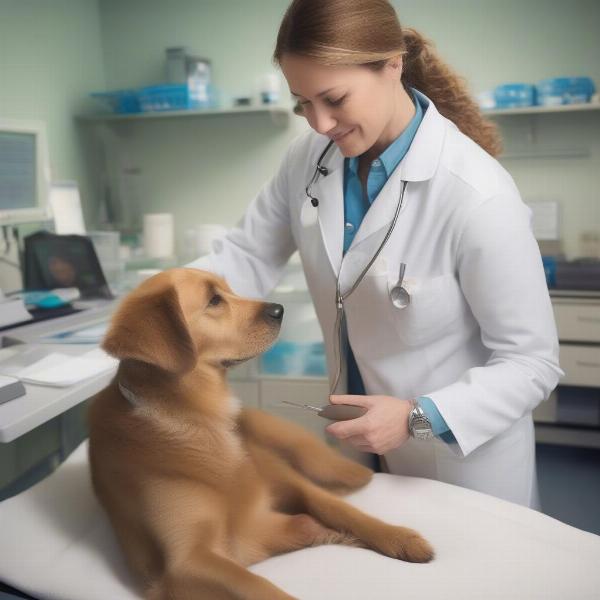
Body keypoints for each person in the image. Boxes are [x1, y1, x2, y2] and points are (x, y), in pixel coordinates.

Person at [187, 0, 563, 508]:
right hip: (353, 445)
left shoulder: (477, 193)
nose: (319, 123)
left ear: (393, 64)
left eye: (334, 98)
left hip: (457, 464)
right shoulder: (307, 160)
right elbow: (245, 256)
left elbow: (532, 363)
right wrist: (162, 306)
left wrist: (415, 416)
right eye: (302, 104)